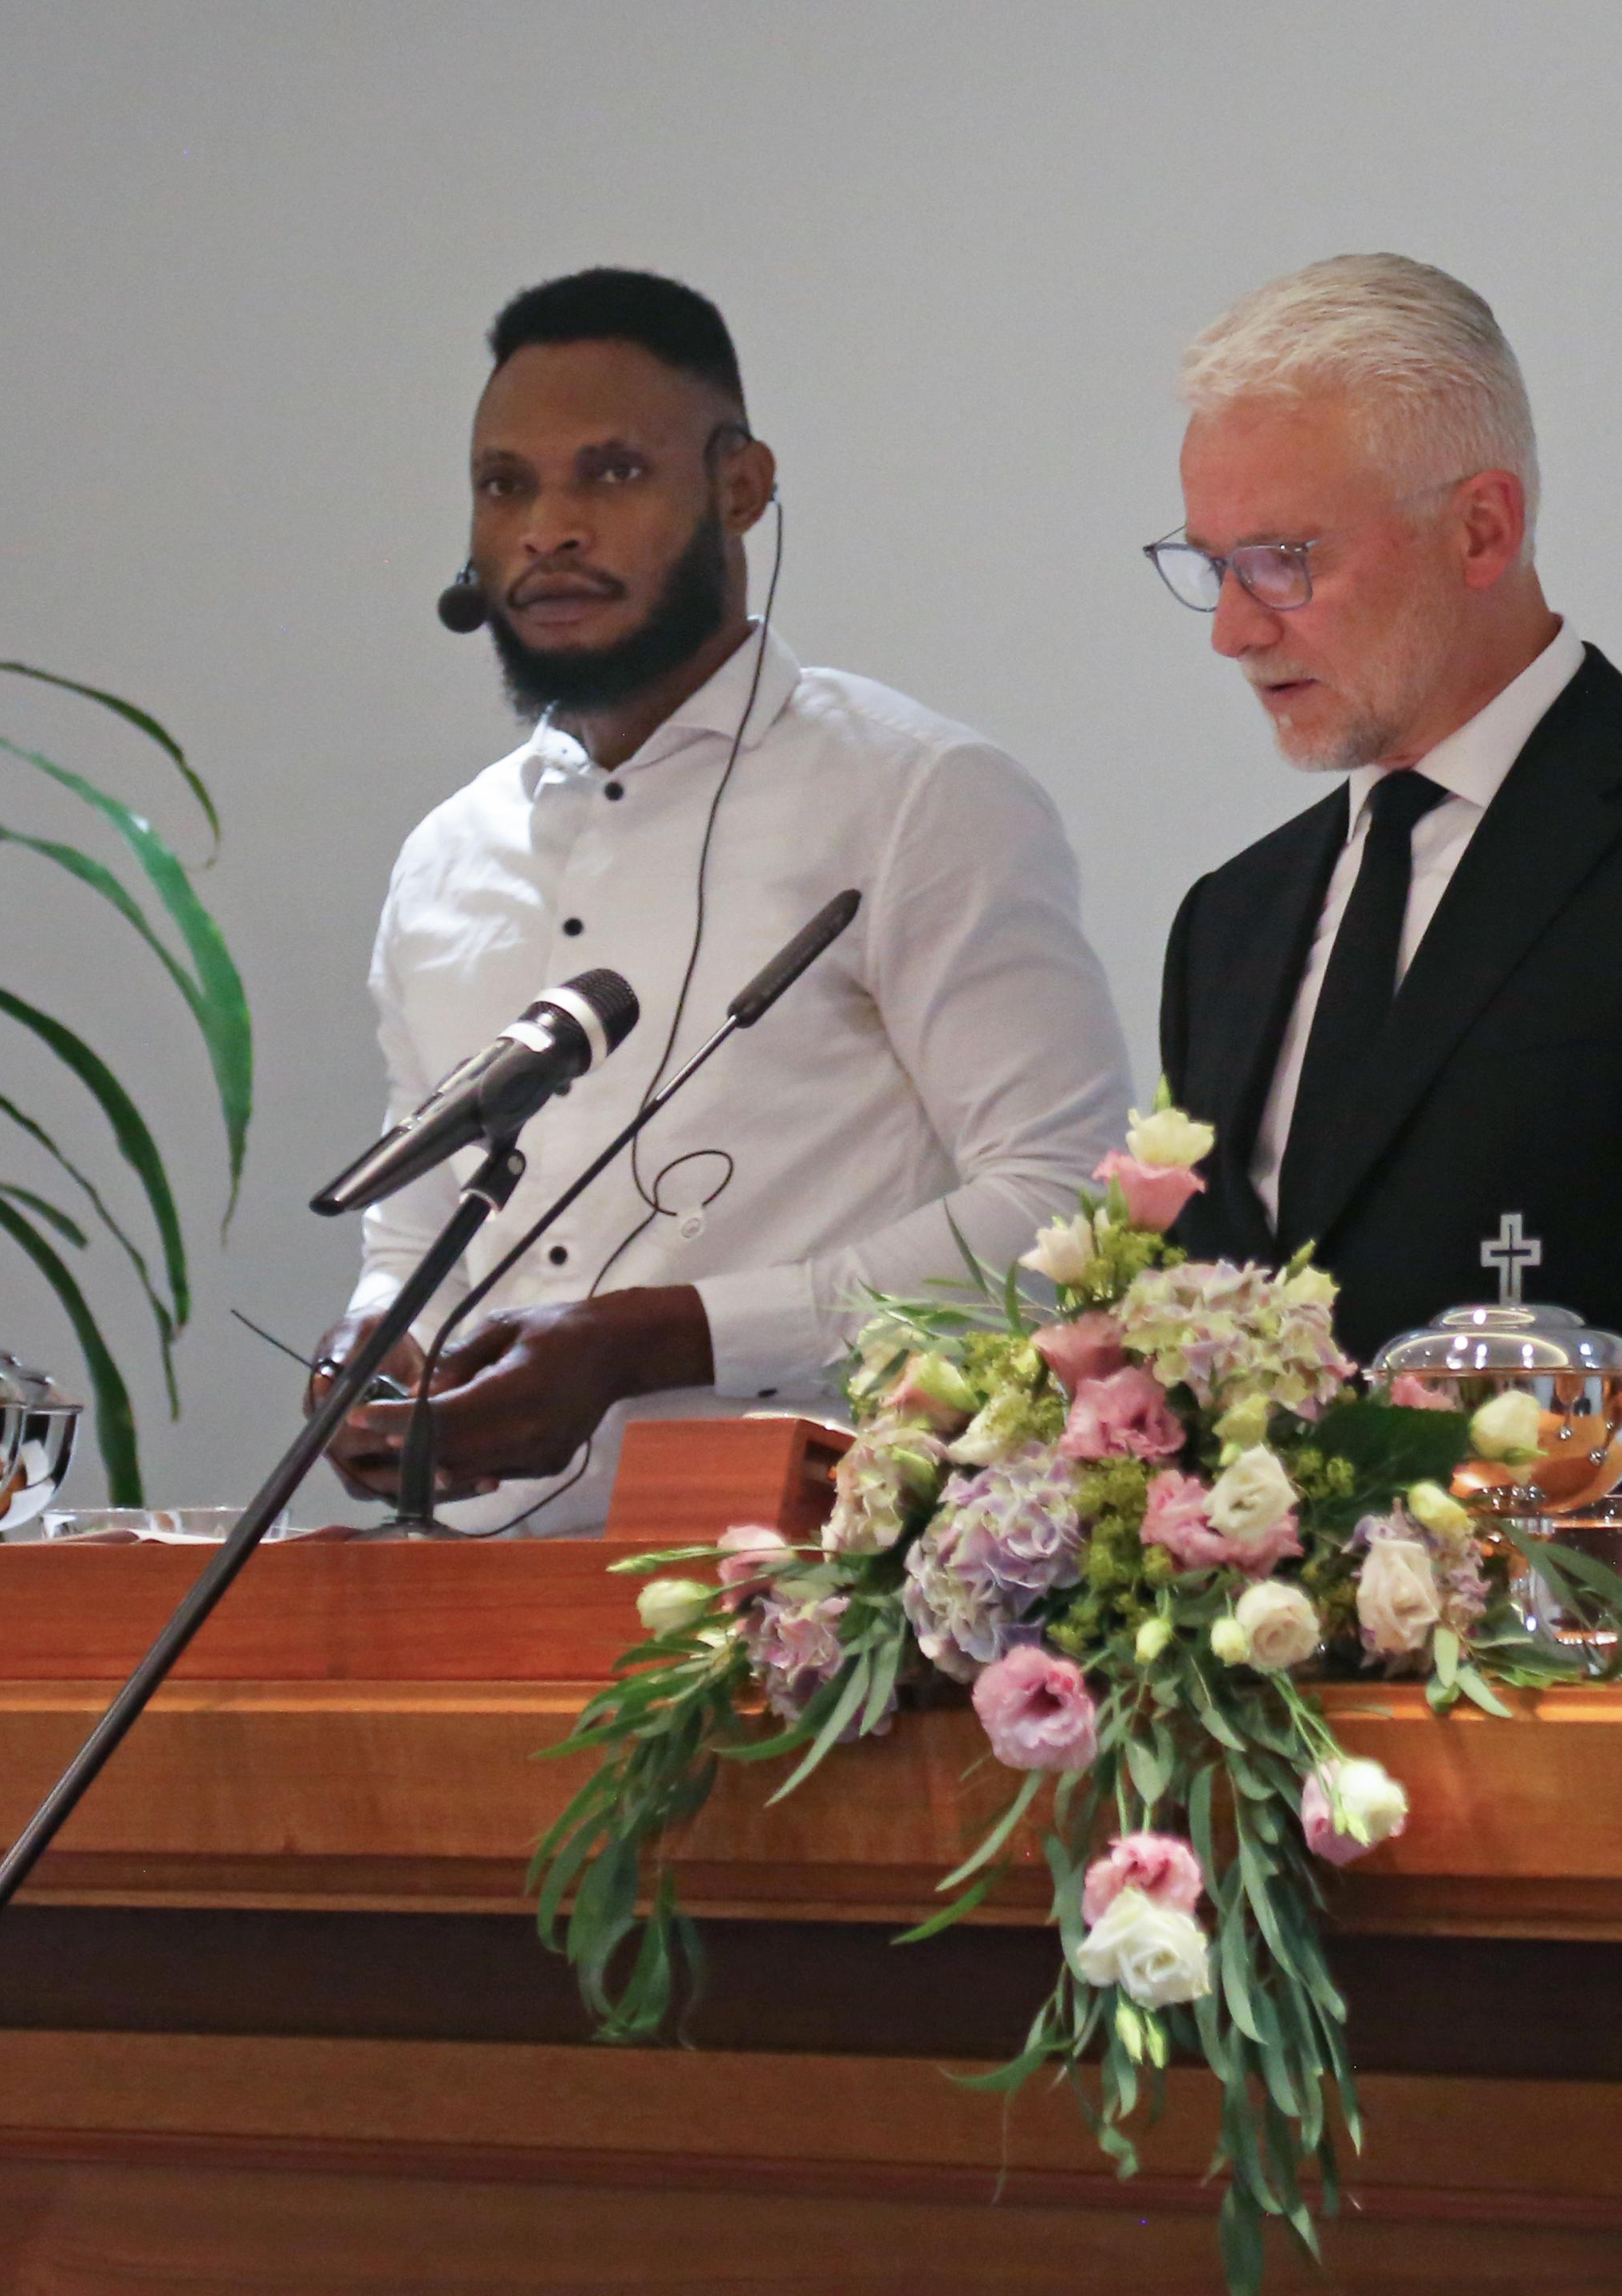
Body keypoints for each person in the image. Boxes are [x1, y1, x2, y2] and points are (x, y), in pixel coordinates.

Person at [1149, 254, 1622, 1669]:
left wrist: (1450, 1553)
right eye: (1210, 566)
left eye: (1283, 561)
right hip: (1267, 1728)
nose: (1233, 628)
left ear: (1480, 529)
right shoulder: (1231, 919)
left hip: (1615, 1713)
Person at [317, 267, 1129, 1532]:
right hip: (477, 1593)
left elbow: (1063, 1209)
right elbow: (414, 1233)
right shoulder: (444, 857)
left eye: (611, 474)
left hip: (809, 1592)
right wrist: (376, 1346)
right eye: (505, 486)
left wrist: (661, 1339)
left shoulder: (917, 797)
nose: (548, 530)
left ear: (740, 487)